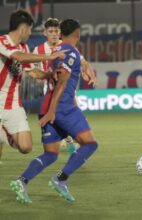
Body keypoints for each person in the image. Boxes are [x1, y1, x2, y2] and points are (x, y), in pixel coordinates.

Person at [10, 19, 98, 203]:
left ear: (60, 33)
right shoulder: (70, 52)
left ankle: (22, 181)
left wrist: (49, 109)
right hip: (63, 107)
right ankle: (60, 179)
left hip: (48, 105)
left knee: (51, 154)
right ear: (77, 33)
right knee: (90, 144)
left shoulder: (58, 53)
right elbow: (62, 82)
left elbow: (55, 76)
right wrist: (53, 111)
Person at [0, 10, 67, 157]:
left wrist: (51, 75)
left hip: (13, 104)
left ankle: (2, 135)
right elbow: (19, 57)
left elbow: (33, 73)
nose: (30, 33)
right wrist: (50, 55)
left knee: (26, 147)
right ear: (23, 29)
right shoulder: (2, 42)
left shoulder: (24, 48)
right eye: (30, 29)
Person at [32, 17, 97, 157]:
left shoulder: (66, 45)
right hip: (50, 88)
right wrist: (42, 76)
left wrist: (86, 70)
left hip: (67, 88)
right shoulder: (39, 49)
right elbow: (35, 70)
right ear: (45, 33)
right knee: (56, 117)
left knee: (73, 113)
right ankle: (65, 141)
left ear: (60, 33)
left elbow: (82, 61)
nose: (54, 34)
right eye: (51, 31)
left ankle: (74, 143)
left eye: (56, 31)